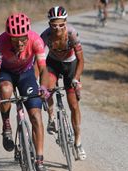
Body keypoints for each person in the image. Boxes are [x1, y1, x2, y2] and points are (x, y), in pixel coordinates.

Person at [0, 13, 51, 171]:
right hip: (6, 74)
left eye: (23, 39)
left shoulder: (36, 40)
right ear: (9, 37)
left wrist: (43, 87)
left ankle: (39, 162)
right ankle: (6, 124)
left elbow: (43, 69)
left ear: (27, 35)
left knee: (36, 115)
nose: (20, 43)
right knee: (5, 90)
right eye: (15, 40)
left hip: (26, 74)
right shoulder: (0, 43)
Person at [41, 6, 87, 161]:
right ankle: (52, 118)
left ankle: (78, 142)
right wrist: (37, 81)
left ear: (65, 23)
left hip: (70, 66)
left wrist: (76, 78)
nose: (58, 28)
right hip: (53, 63)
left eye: (61, 24)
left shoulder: (72, 34)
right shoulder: (46, 36)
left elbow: (81, 60)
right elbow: (38, 60)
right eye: (54, 25)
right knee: (47, 88)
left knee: (73, 105)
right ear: (49, 24)